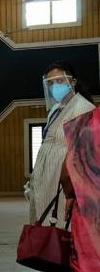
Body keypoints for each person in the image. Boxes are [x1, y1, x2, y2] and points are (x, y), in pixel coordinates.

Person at [26, 61, 94, 230]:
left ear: (72, 82)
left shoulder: (84, 108)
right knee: (43, 225)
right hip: (47, 179)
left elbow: (84, 153)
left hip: (65, 180)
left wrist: (72, 188)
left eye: (60, 81)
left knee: (63, 227)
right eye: (50, 82)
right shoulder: (55, 109)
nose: (55, 86)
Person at [62, 107, 100, 271]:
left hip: (89, 208)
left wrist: (70, 195)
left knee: (87, 259)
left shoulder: (86, 123)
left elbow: (70, 167)